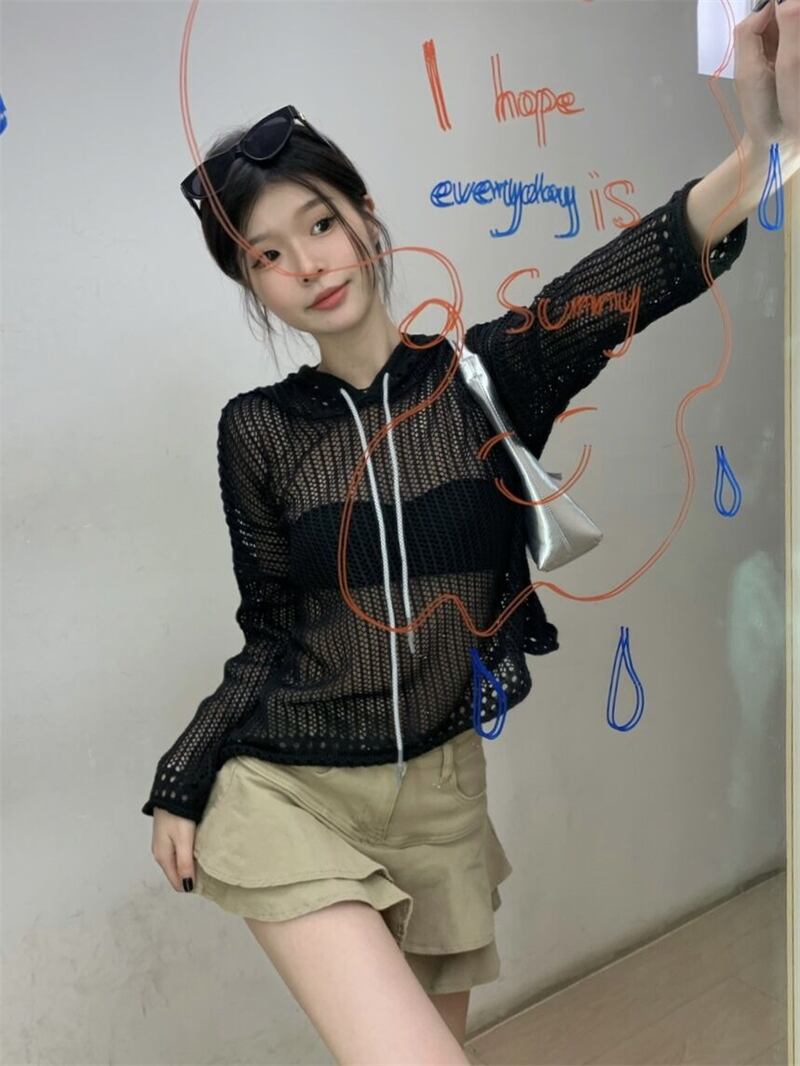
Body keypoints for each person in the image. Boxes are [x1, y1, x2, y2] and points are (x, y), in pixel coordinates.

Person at [144, 6, 797, 1060]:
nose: (306, 263)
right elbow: (269, 632)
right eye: (267, 253)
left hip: (441, 801)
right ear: (252, 283)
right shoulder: (257, 432)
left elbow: (624, 277)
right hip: (291, 787)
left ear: (365, 216)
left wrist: (763, 152)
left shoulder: (487, 380)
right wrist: (186, 774)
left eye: (319, 224)